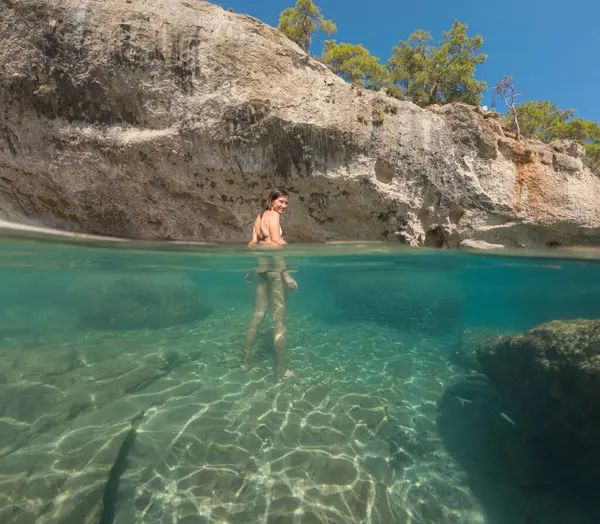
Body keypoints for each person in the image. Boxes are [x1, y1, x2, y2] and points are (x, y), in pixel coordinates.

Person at [242, 188, 297, 381]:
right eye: (281, 201)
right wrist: (287, 273)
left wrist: (251, 268)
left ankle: (246, 362)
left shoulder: (259, 216)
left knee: (257, 316)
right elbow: (276, 242)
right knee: (278, 321)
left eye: (286, 202)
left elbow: (252, 244)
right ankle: (281, 371)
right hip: (275, 272)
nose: (284, 206)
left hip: (262, 272)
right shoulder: (273, 216)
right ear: (271, 201)